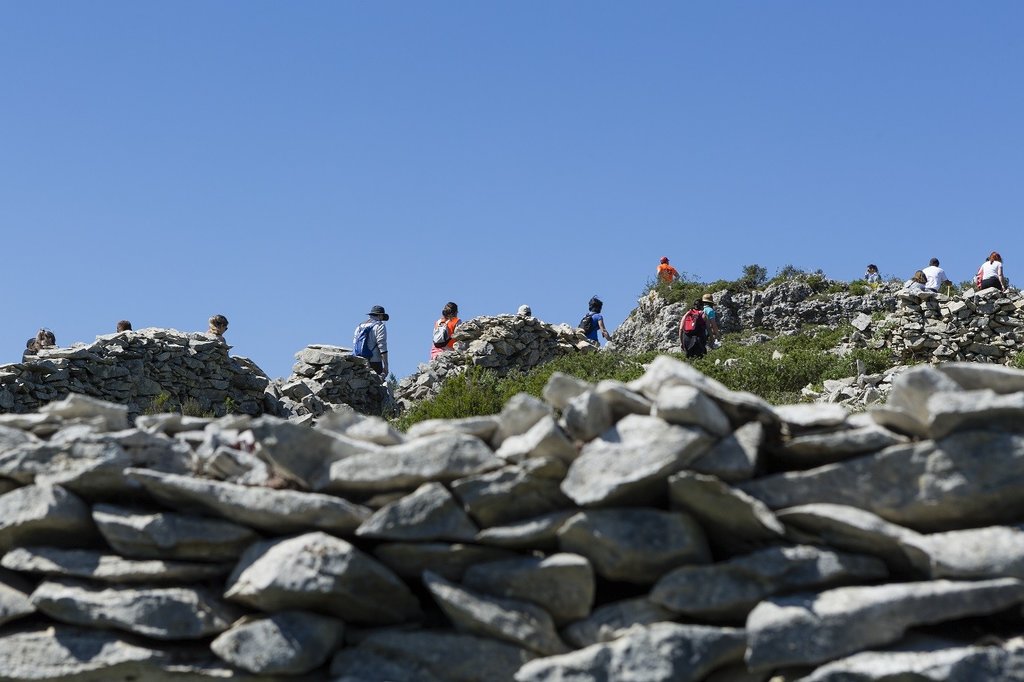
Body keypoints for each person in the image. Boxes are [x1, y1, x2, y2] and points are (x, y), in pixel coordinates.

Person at [353, 305, 389, 377]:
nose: (382, 319)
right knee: (377, 386)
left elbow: (354, 342)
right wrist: (386, 366)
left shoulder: (360, 326)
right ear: (379, 315)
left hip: (359, 360)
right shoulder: (379, 326)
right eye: (382, 317)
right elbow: (382, 346)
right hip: (374, 361)